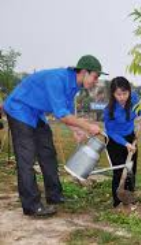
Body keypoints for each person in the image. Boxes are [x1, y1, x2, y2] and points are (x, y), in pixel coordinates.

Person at [3, 55, 106, 217]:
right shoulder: (57, 79)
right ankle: (32, 205)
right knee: (26, 159)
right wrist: (87, 126)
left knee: (48, 153)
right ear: (84, 72)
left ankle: (54, 195)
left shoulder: (75, 85)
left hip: (36, 114)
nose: (95, 80)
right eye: (95, 76)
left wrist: (75, 129)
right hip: (19, 109)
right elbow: (62, 114)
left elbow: (64, 110)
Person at [103, 77, 141, 207]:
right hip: (114, 141)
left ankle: (129, 200)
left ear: (129, 92)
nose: (122, 97)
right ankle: (117, 202)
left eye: (125, 93)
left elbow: (140, 111)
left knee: (131, 170)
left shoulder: (134, 99)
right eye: (118, 94)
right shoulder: (109, 110)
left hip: (130, 136)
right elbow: (111, 132)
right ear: (113, 94)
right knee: (119, 171)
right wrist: (126, 144)